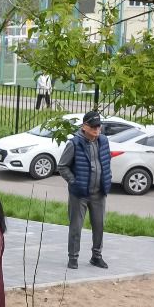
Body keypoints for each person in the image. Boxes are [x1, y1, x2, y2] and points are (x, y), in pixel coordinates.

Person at [58, 110, 111, 269]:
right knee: (76, 227)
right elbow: (62, 166)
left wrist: (106, 180)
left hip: (99, 193)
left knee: (99, 225)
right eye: (93, 127)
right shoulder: (74, 143)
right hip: (79, 194)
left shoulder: (103, 141)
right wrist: (74, 182)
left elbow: (105, 162)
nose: (96, 130)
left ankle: (96, 256)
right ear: (84, 126)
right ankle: (73, 258)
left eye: (98, 127)